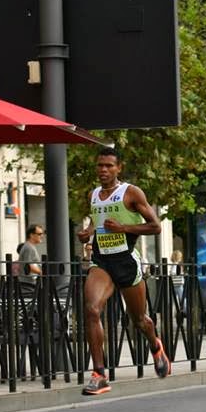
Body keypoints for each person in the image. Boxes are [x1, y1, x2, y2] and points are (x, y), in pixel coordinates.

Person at [77, 148, 170, 395]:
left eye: (109, 165)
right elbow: (96, 223)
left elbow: (155, 227)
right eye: (100, 165)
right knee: (91, 309)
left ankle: (155, 346)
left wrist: (123, 228)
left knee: (139, 320)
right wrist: (88, 233)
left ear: (119, 168)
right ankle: (99, 375)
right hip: (102, 262)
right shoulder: (93, 195)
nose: (103, 170)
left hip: (126, 261)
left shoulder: (131, 193)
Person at [17, 224, 44, 289]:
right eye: (39, 234)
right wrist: (42, 272)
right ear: (31, 235)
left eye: (43, 234)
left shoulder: (29, 246)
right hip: (29, 285)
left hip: (29, 284)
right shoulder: (29, 247)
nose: (42, 236)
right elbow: (28, 265)